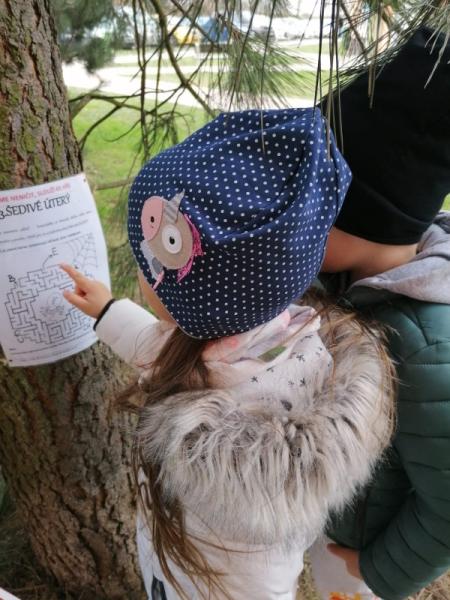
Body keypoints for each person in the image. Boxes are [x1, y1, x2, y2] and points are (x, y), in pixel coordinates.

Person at [61, 108, 394, 600]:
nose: (142, 277)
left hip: (226, 581)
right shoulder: (276, 331)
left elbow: (157, 351)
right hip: (178, 554)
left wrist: (109, 313)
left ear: (203, 301)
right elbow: (155, 346)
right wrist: (108, 311)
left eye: (152, 267)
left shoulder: (211, 370)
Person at [310, 26, 450, 600]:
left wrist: (376, 571)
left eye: (312, 209)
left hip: (361, 552)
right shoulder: (343, 275)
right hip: (330, 510)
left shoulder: (421, 342)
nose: (294, 222)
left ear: (364, 217)